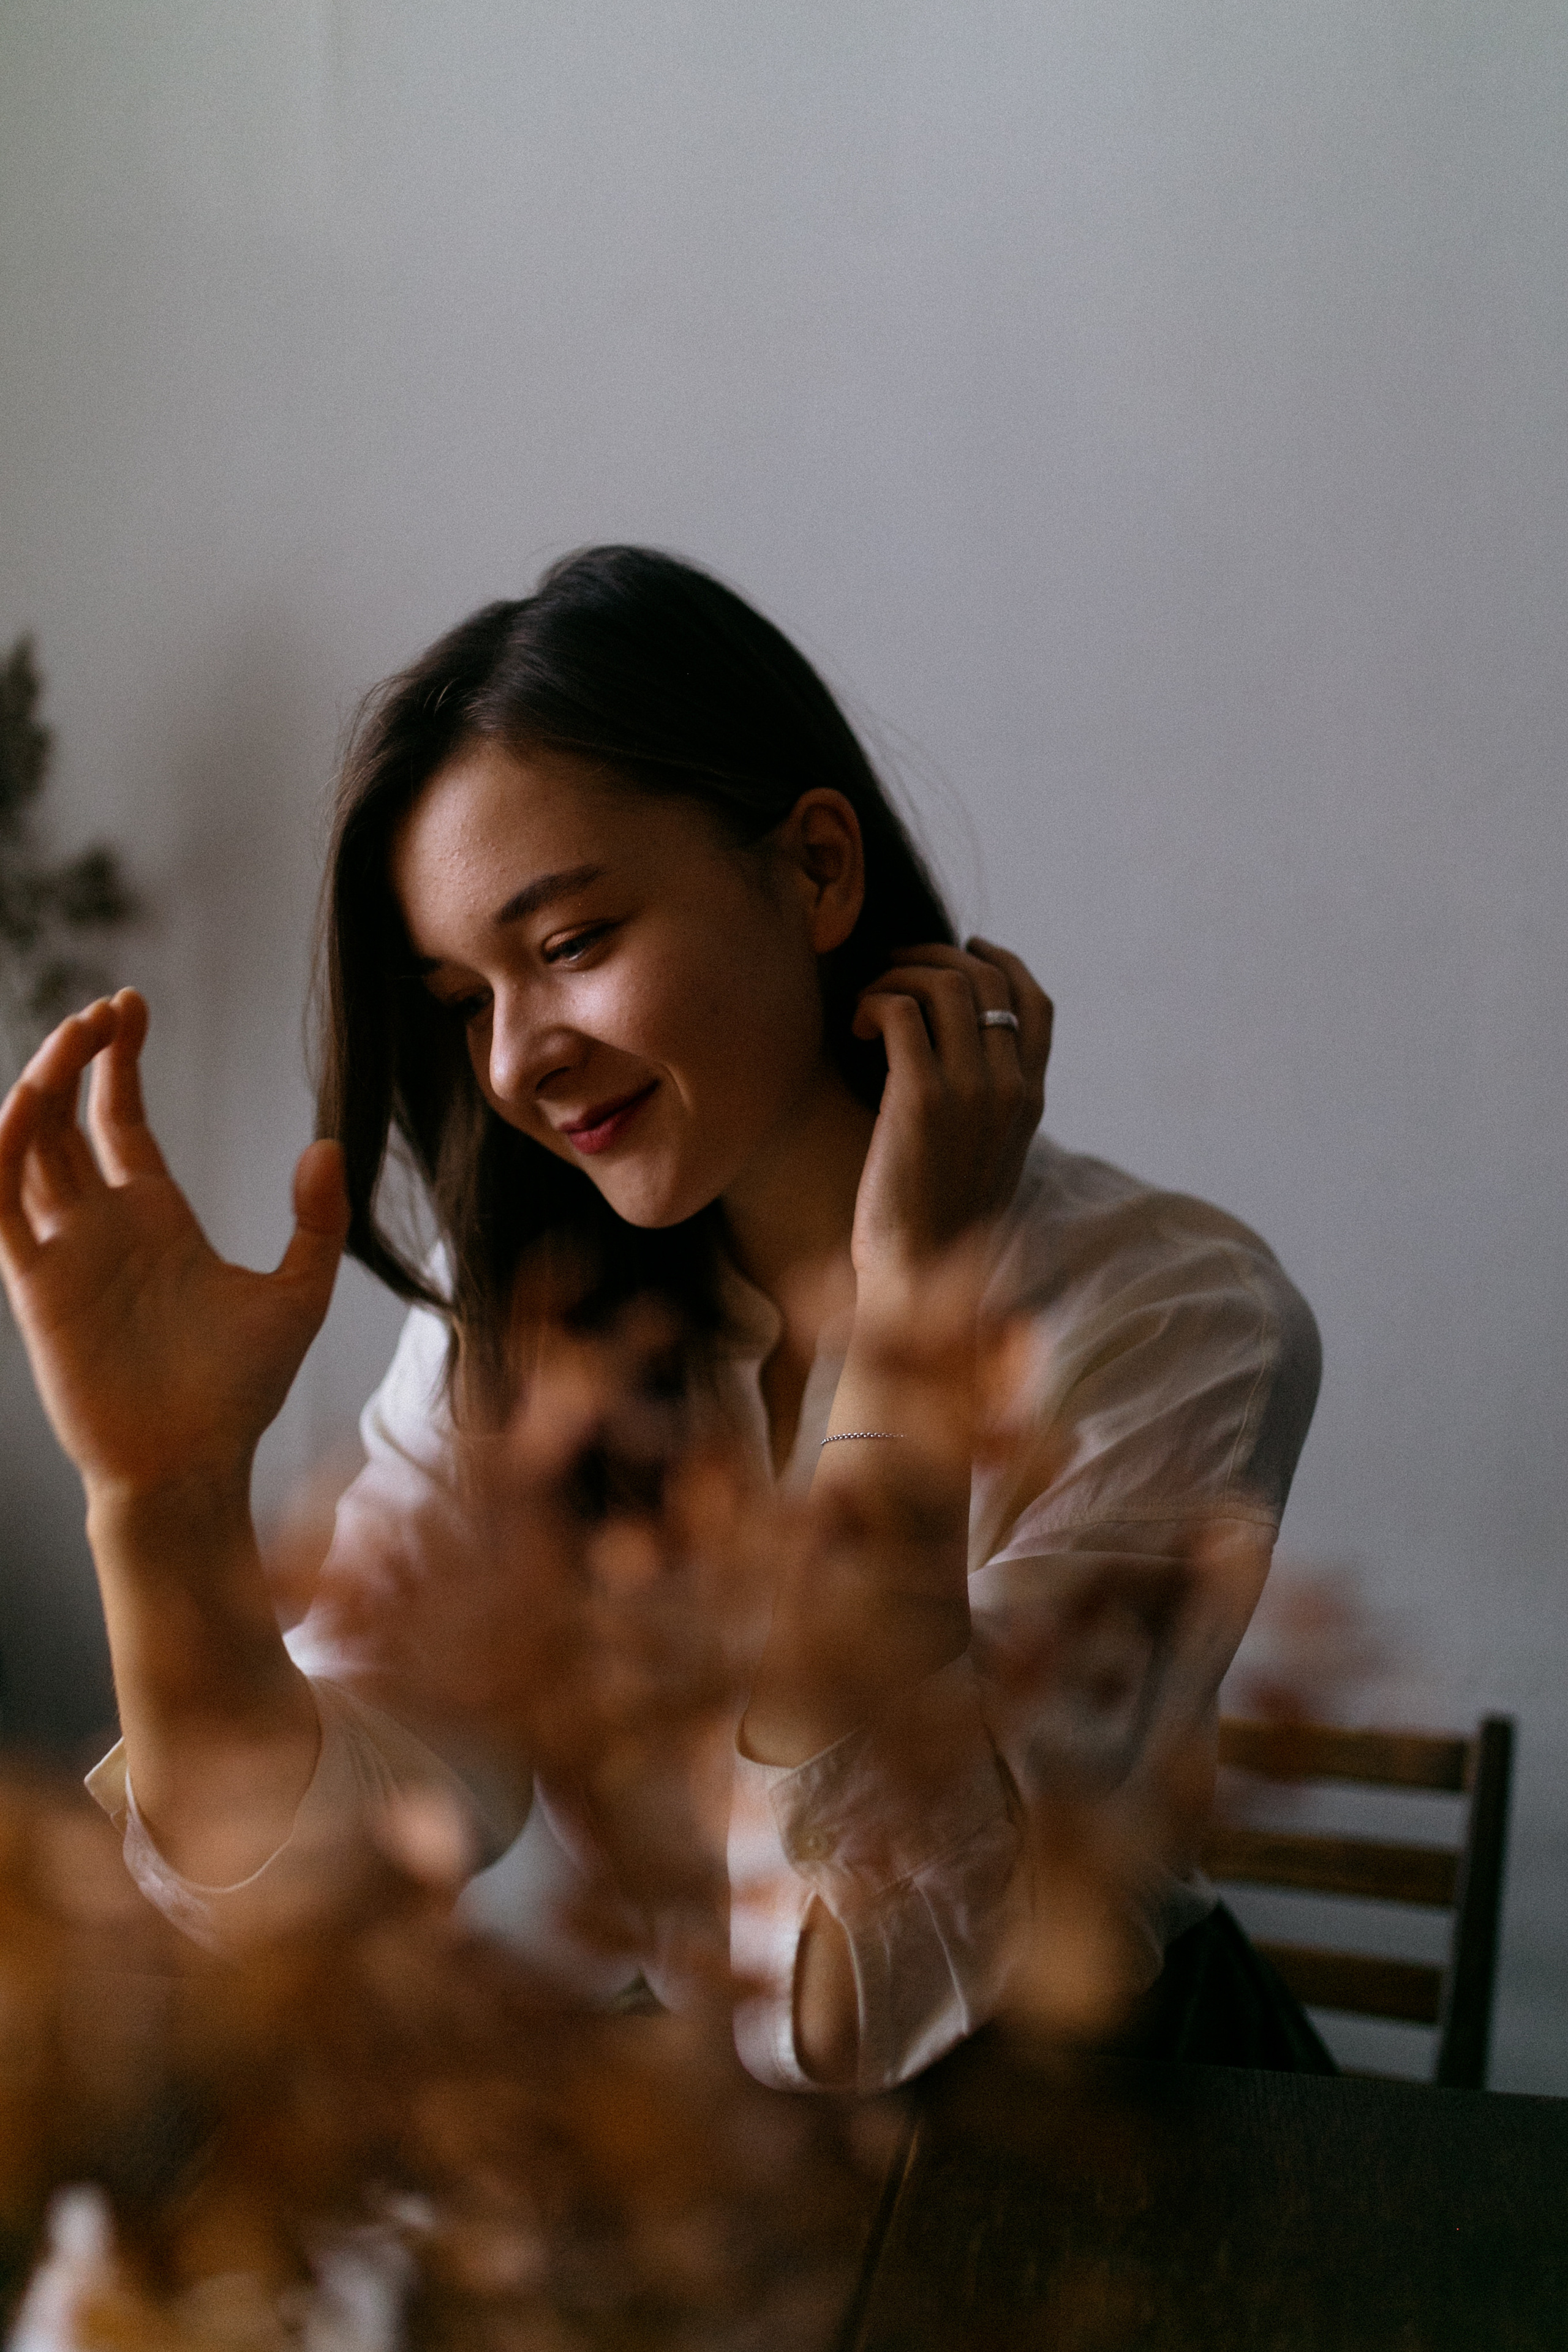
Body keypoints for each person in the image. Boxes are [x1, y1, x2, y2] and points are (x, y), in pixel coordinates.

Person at [0, 546, 1329, 2091]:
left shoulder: (1174, 1314)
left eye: (567, 947)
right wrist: (161, 1503)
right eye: (462, 998)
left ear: (817, 870)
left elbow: (853, 2006)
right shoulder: (514, 1337)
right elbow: (299, 1888)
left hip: (1121, 2151)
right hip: (732, 2187)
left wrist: (904, 1336)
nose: (513, 1068)